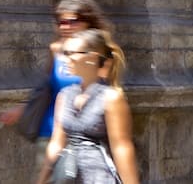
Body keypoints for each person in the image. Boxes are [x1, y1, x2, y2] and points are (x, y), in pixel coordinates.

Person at [0, 0, 112, 174]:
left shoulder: (100, 53)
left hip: (85, 138)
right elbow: (46, 87)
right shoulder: (56, 50)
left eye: (72, 21)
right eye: (61, 22)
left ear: (88, 22)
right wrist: (21, 108)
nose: (65, 27)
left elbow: (107, 93)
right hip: (50, 134)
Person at [37, 28, 138, 184]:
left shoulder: (111, 97)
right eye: (65, 53)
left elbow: (121, 148)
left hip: (98, 177)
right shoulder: (64, 95)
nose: (66, 59)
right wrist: (41, 180)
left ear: (92, 57)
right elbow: (57, 143)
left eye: (72, 53)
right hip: (69, 175)